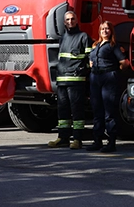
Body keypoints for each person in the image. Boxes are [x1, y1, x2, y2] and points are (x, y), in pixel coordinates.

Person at [48, 11, 92, 149]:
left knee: (77, 109)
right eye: (67, 19)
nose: (70, 21)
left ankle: (78, 139)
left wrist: (82, 71)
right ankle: (63, 138)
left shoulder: (83, 37)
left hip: (76, 80)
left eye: (73, 19)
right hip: (62, 80)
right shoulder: (63, 38)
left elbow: (90, 59)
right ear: (64, 22)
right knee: (62, 110)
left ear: (77, 20)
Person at [87, 21, 128, 153]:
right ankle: (97, 140)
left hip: (108, 77)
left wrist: (115, 72)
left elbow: (124, 62)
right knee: (97, 110)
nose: (105, 31)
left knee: (109, 111)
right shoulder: (95, 45)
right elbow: (91, 60)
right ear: (99, 31)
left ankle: (111, 142)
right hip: (95, 78)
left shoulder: (113, 46)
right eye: (102, 29)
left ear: (111, 31)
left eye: (107, 29)